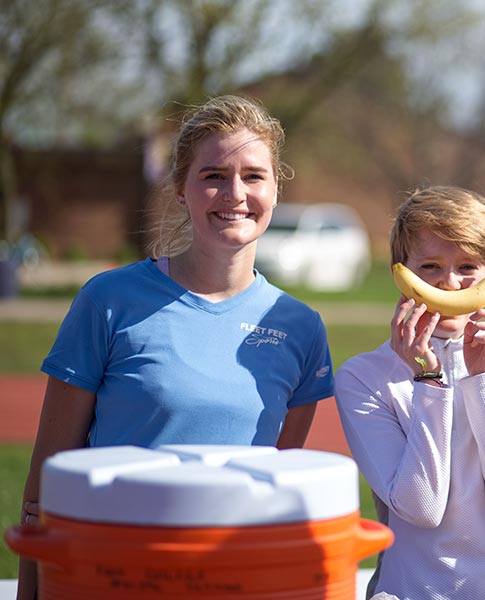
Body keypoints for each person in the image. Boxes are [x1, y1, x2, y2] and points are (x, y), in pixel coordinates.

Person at [16, 95, 335, 599]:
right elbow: (46, 484)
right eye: (213, 175)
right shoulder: (108, 299)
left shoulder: (300, 327)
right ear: (182, 190)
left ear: (275, 189)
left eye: (253, 176)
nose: (234, 193)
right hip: (111, 576)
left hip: (238, 581)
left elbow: (277, 485)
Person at [335, 186, 485, 600]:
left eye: (468, 266)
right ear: (401, 272)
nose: (450, 284)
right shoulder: (362, 377)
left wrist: (484, 379)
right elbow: (422, 507)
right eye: (431, 266)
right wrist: (429, 379)